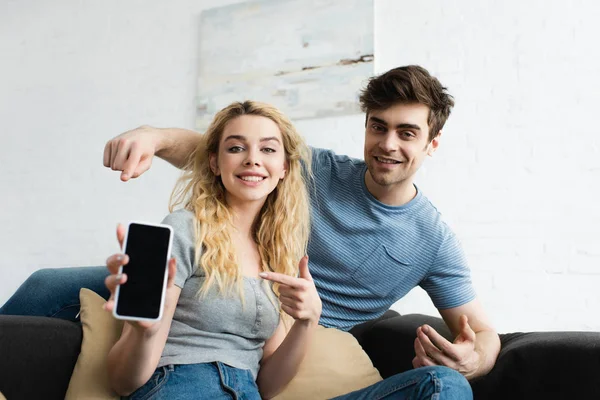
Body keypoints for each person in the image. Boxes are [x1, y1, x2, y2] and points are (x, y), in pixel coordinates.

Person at [1, 65, 499, 382]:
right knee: (51, 285)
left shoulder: (431, 238)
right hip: (222, 283)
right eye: (378, 126)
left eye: (407, 133)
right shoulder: (315, 168)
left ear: (431, 144)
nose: (388, 144)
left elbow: (481, 332)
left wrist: (475, 359)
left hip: (291, 330)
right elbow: (226, 153)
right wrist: (152, 136)